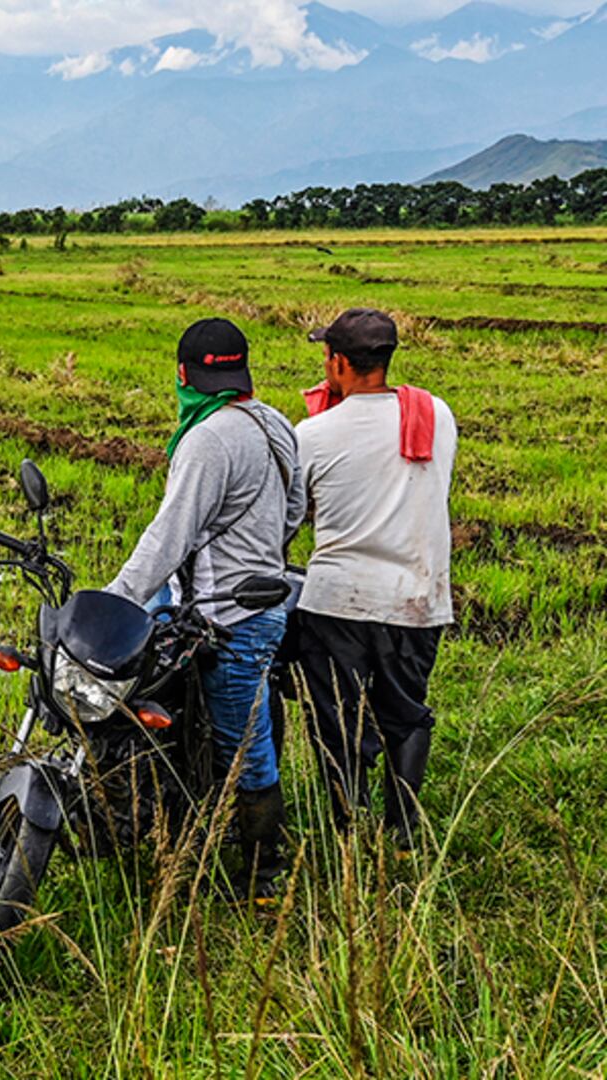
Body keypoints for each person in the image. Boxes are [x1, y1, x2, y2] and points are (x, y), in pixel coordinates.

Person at [104, 317, 305, 902]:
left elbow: (170, 536)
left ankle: (265, 873)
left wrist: (114, 601)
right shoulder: (273, 424)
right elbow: (293, 512)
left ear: (182, 376)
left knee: (243, 740)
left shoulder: (206, 439)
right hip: (263, 599)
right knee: (203, 718)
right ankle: (190, 822)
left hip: (227, 616)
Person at [294, 308, 456, 850]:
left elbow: (297, 513)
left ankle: (347, 826)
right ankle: (404, 830)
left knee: (337, 719)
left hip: (336, 599)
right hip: (416, 597)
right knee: (406, 713)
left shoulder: (312, 433)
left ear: (338, 363)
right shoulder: (434, 415)